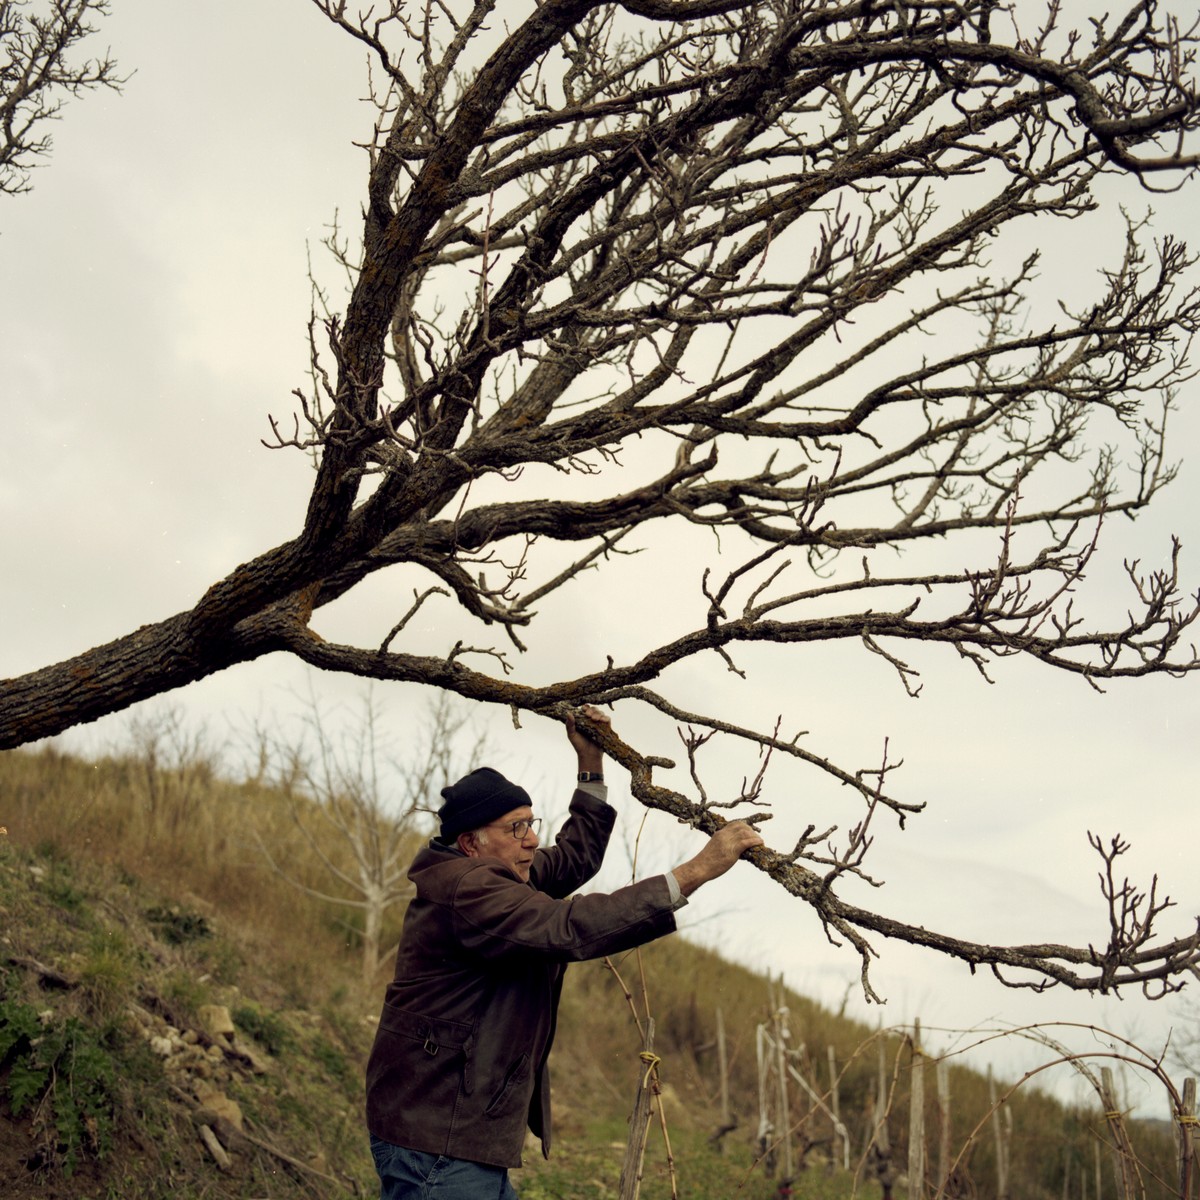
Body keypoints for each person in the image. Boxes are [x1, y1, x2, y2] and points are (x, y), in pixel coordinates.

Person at [365, 704, 764, 1200]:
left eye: (532, 823)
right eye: (516, 828)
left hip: (450, 1131)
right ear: (470, 842)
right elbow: (566, 926)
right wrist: (696, 870)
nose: (532, 839)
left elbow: (574, 858)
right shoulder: (468, 891)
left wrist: (591, 764)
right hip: (438, 1142)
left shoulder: (500, 873)